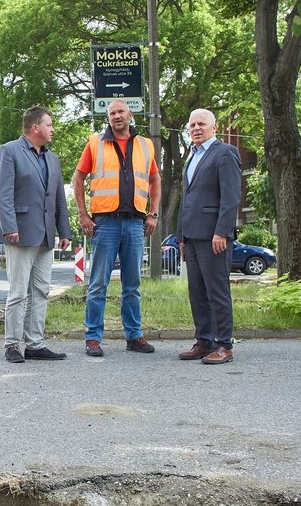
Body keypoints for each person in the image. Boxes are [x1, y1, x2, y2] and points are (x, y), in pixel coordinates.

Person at [72, 99, 161, 357]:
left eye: (120, 111)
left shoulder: (146, 145)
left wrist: (153, 213)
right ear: (108, 117)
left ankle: (134, 336)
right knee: (98, 283)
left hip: (135, 222)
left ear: (130, 114)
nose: (116, 116)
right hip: (105, 222)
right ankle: (93, 338)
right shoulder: (95, 142)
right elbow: (78, 178)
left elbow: (155, 179)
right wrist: (83, 215)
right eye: (112, 113)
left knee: (132, 284)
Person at [0, 106, 72, 363]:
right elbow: (3, 193)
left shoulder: (53, 158)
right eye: (49, 124)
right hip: (20, 231)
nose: (53, 129)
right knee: (18, 292)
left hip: (46, 235)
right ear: (35, 127)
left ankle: (35, 343)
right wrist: (9, 227)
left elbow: (59, 196)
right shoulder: (9, 151)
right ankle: (13, 344)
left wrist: (65, 230)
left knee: (41, 290)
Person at [176, 108, 242, 365]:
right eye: (192, 125)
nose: (196, 128)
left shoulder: (225, 153)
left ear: (214, 127)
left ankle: (224, 344)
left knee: (217, 291)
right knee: (197, 292)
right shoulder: (192, 157)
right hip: (192, 236)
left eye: (201, 124)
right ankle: (204, 341)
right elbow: (187, 199)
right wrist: (181, 235)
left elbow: (230, 197)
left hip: (214, 236)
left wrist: (222, 231)